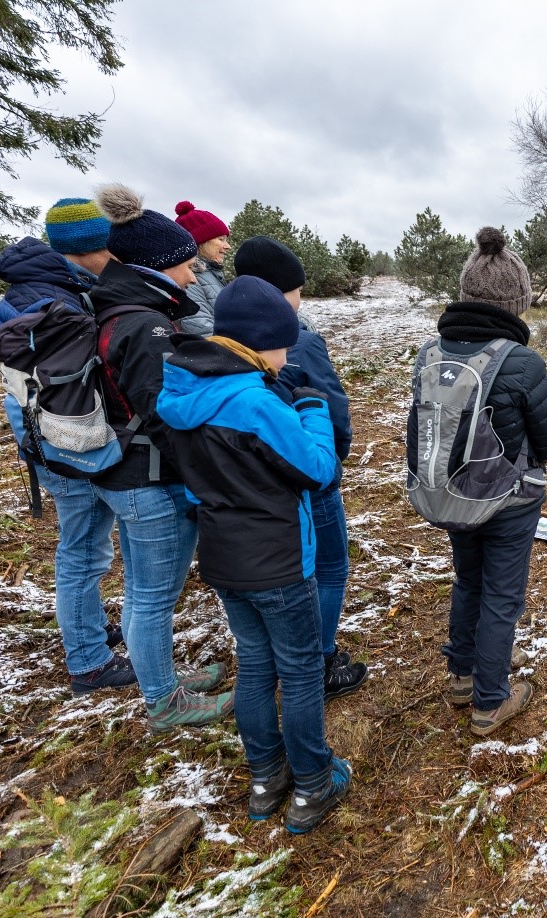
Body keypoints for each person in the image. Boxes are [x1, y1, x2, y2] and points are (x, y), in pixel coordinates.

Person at [158, 274, 351, 833]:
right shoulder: (251, 402)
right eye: (283, 343)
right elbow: (318, 470)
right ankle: (314, 783)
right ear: (261, 340)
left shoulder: (184, 391)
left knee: (255, 666)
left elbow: (192, 486)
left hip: (224, 555)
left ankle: (266, 777)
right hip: (281, 561)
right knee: (299, 670)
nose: (287, 354)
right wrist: (311, 409)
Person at [90, 183, 233, 732]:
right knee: (151, 595)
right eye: (184, 265)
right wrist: (207, 472)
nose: (193, 276)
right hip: (147, 477)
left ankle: (164, 678)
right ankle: (162, 700)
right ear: (155, 265)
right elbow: (164, 415)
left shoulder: (124, 309)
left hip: (128, 470)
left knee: (145, 591)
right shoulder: (146, 325)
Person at [422, 227, 547, 736]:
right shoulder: (522, 361)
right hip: (510, 499)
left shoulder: (431, 354)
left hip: (452, 492)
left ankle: (461, 674)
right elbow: (545, 440)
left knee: (468, 581)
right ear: (516, 298)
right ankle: (490, 700)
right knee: (503, 595)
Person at [0, 199, 131, 694]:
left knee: (84, 545)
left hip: (40, 432)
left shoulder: (39, 286)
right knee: (84, 551)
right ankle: (89, 661)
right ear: (96, 244)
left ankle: (86, 628)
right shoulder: (58, 301)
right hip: (65, 441)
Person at [232, 235, 367, 700]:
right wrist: (336, 457)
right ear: (279, 292)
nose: (301, 297)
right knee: (329, 567)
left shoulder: (223, 339)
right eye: (296, 288)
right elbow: (333, 406)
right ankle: (321, 659)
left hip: (254, 487)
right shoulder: (300, 342)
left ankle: (283, 658)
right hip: (309, 474)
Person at [173, 201, 231, 337]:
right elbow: (202, 330)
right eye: (221, 239)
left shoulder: (210, 275)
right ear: (201, 242)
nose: (227, 246)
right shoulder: (189, 279)